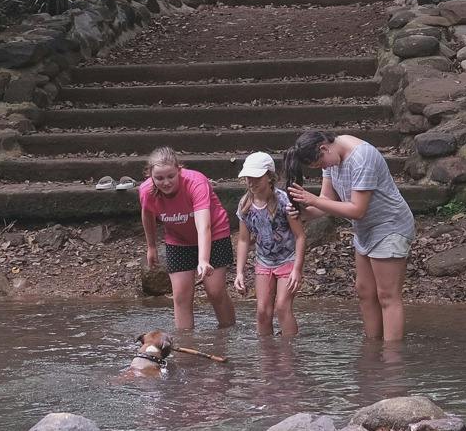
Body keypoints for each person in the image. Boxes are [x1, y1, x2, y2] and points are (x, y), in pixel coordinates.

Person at [284, 130, 415, 342]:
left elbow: (357, 210)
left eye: (320, 165)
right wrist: (304, 213)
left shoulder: (362, 157)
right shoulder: (332, 159)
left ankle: (392, 360)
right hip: (365, 230)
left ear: (323, 148)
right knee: (364, 291)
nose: (323, 169)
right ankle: (373, 347)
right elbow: (327, 201)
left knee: (387, 295)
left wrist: (314, 201)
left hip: (389, 226)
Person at [137, 146, 235, 329]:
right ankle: (185, 344)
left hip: (214, 234)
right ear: (150, 175)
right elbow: (147, 215)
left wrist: (203, 260)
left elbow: (203, 225)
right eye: (159, 178)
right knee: (181, 295)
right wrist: (151, 247)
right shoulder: (146, 191)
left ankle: (228, 332)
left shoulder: (195, 182)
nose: (166, 182)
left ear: (179, 170)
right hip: (178, 238)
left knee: (215, 291)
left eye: (170, 176)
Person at [232, 151, 306, 337]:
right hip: (264, 262)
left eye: (256, 177)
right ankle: (266, 356)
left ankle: (290, 354)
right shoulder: (245, 205)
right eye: (248, 178)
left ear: (269, 177)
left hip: (287, 261)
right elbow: (243, 240)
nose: (251, 182)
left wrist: (297, 269)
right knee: (262, 310)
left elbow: (300, 236)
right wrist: (239, 272)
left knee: (282, 307)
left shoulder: (283, 202)